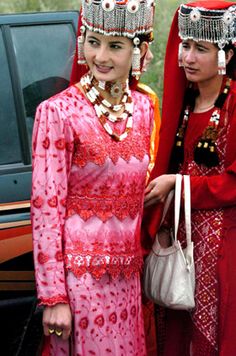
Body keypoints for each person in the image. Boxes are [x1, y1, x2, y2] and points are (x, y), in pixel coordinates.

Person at [31, 0, 160, 354]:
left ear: (140, 49)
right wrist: (54, 296)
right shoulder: (57, 112)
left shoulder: (145, 108)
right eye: (92, 41)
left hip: (128, 281)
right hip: (79, 285)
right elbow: (46, 209)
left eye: (115, 45)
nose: (100, 55)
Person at [144, 1, 236, 355]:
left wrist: (178, 185)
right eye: (186, 46)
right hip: (181, 244)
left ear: (225, 54)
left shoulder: (233, 106)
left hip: (224, 246)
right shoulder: (184, 103)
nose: (188, 58)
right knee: (178, 331)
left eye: (202, 49)